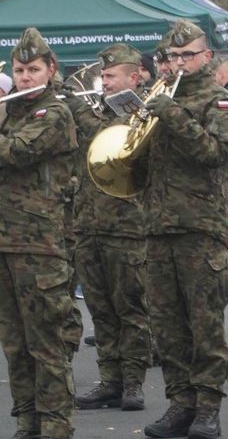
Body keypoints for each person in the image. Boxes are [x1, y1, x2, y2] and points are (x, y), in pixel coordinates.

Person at [141, 19, 228, 439]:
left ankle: (207, 407)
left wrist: (172, 115)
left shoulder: (220, 102)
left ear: (206, 57)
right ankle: (179, 402)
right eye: (170, 56)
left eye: (186, 55)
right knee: (167, 326)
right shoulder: (158, 98)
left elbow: (215, 153)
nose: (177, 63)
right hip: (158, 227)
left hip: (199, 229)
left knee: (205, 327)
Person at [0, 27, 78, 439]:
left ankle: (55, 424)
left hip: (40, 245)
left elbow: (17, 152)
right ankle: (27, 420)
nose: (25, 77)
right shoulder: (8, 111)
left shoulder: (55, 113)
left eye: (33, 69)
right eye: (19, 70)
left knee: (46, 342)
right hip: (5, 242)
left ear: (51, 70)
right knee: (14, 344)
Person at [69, 44, 152, 413]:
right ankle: (110, 380)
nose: (103, 83)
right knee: (101, 310)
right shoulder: (96, 111)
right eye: (102, 77)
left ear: (133, 77)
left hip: (127, 227)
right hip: (88, 225)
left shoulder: (144, 114)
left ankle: (133, 382)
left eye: (110, 76)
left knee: (129, 309)